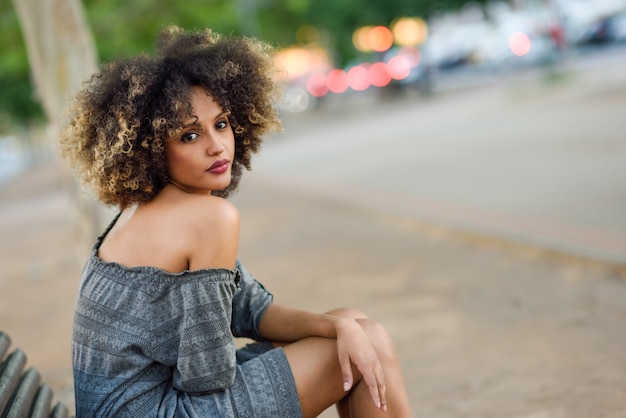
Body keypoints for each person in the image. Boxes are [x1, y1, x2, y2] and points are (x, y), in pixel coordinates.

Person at [60, 26, 413, 418]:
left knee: (353, 323)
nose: (216, 145)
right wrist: (317, 350)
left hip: (157, 402)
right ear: (152, 148)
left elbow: (247, 309)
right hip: (164, 409)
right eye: (190, 135)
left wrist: (336, 328)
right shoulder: (210, 217)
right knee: (369, 343)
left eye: (222, 124)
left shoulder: (143, 210)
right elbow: (206, 378)